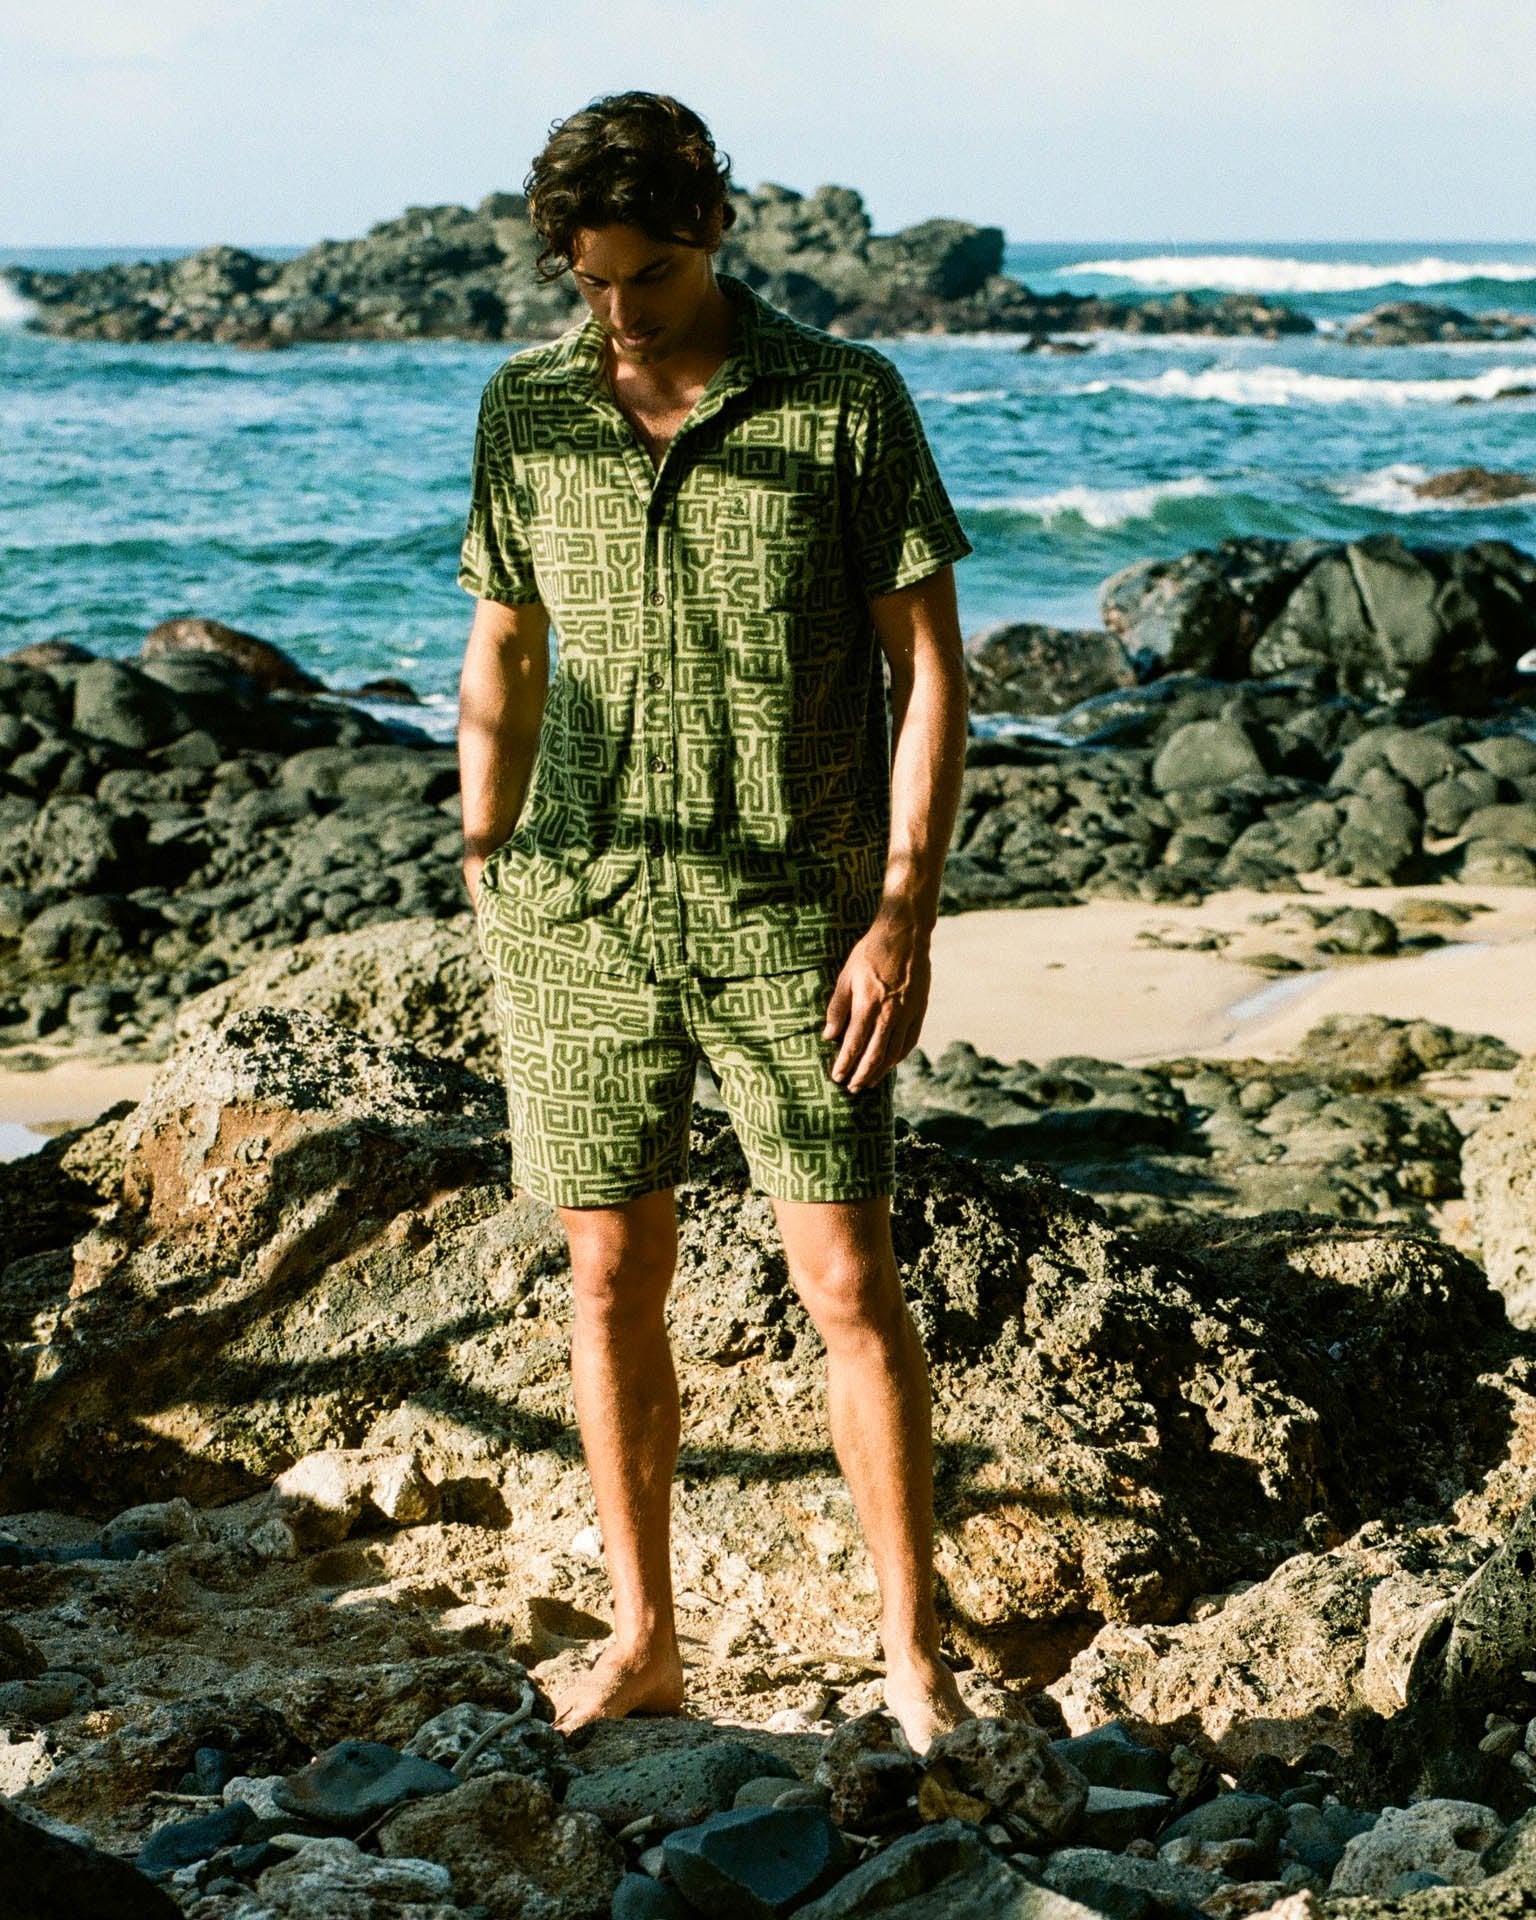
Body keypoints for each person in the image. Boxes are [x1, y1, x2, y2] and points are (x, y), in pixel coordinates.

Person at [456, 91, 975, 1754]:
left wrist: (902, 912)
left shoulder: (842, 402)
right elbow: (506, 649)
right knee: (607, 1274)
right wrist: (487, 852)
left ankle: (913, 1660)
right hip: (584, 915)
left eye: (651, 278)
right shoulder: (528, 406)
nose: (619, 315)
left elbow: (933, 672)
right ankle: (648, 1637)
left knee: (843, 1276)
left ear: (716, 231)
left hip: (797, 918)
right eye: (593, 281)